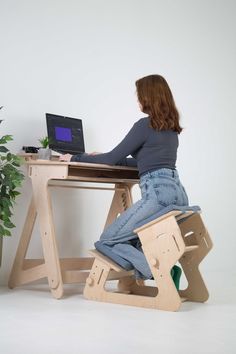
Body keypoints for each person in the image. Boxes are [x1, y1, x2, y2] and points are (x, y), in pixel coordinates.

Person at [59, 74, 189, 279]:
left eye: (139, 95)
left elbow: (112, 158)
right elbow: (141, 163)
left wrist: (75, 157)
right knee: (133, 239)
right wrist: (101, 157)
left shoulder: (144, 125)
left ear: (147, 97)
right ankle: (156, 271)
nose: (137, 100)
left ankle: (159, 273)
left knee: (108, 241)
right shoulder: (171, 130)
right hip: (178, 194)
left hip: (156, 195)